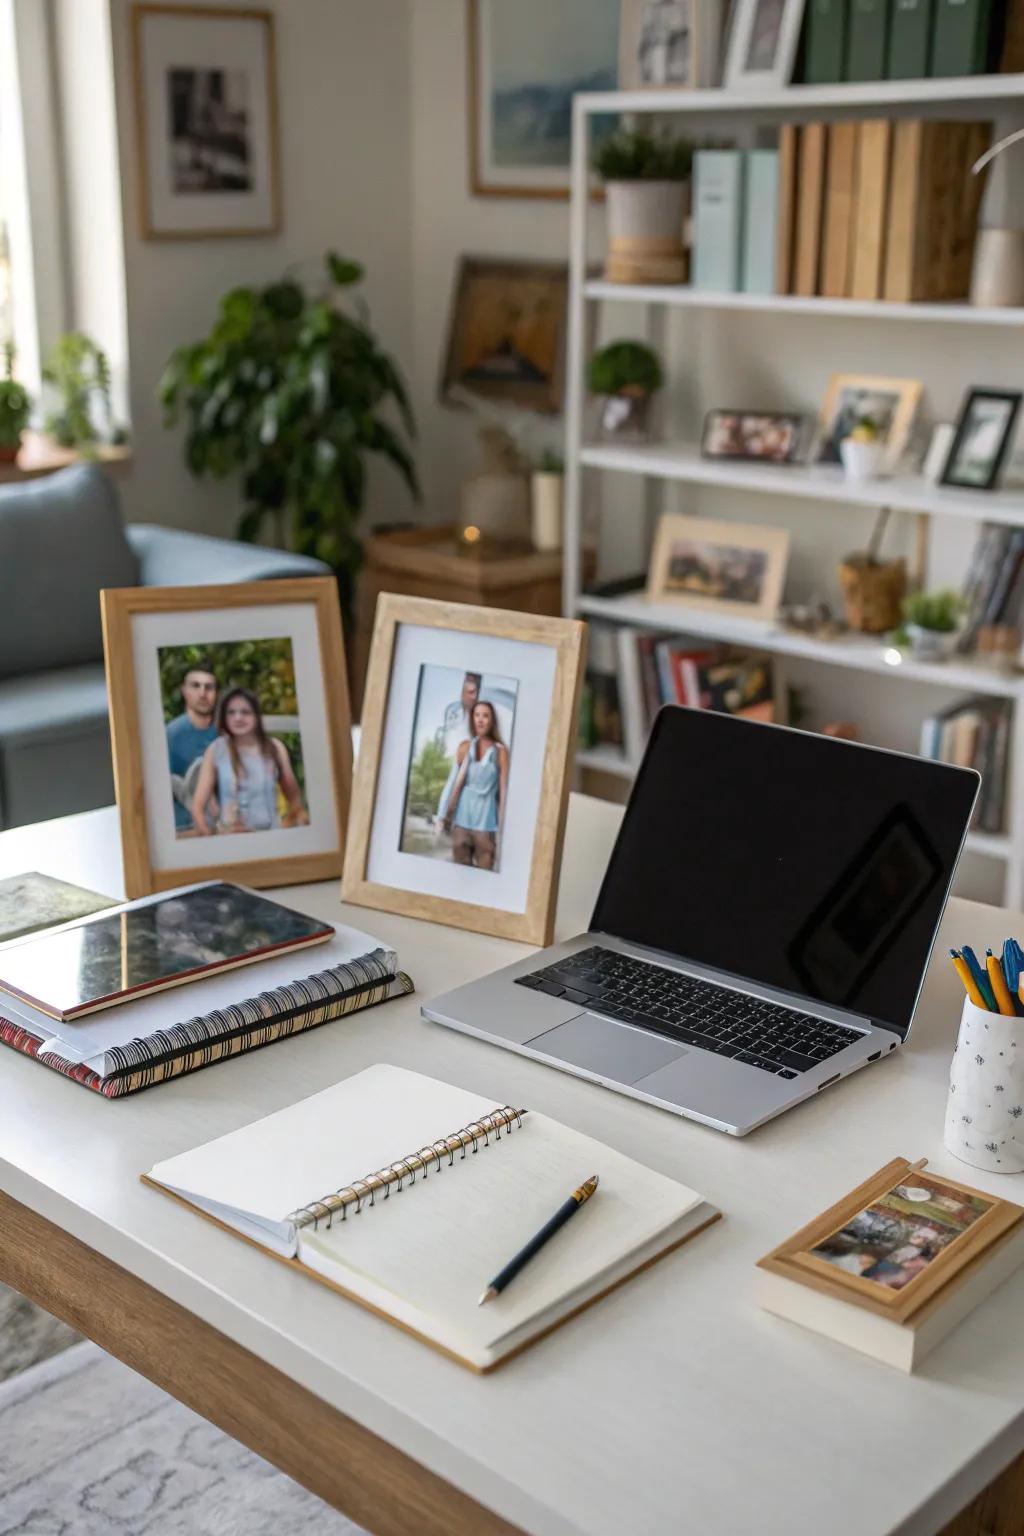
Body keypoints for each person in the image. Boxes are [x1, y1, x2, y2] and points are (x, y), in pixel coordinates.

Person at [191, 686, 306, 835]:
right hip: (232, 839)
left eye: (245, 712)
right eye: (231, 713)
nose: (238, 718)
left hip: (271, 838)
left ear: (256, 716)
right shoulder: (216, 750)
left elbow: (295, 799)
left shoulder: (274, 748)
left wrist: (286, 828)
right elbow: (198, 806)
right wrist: (210, 838)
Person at [443, 701, 509, 871]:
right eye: (477, 715)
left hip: (485, 826)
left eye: (485, 716)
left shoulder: (500, 751)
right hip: (462, 823)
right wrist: (446, 814)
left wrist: (502, 828)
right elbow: (457, 782)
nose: (480, 720)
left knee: (484, 876)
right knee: (459, 875)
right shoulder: (467, 746)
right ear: (472, 719)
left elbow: (504, 792)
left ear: (492, 721)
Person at [165, 662, 219, 833]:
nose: (203, 693)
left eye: (209, 687)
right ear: (184, 690)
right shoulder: (171, 735)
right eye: (196, 686)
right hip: (184, 828)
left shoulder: (226, 731)